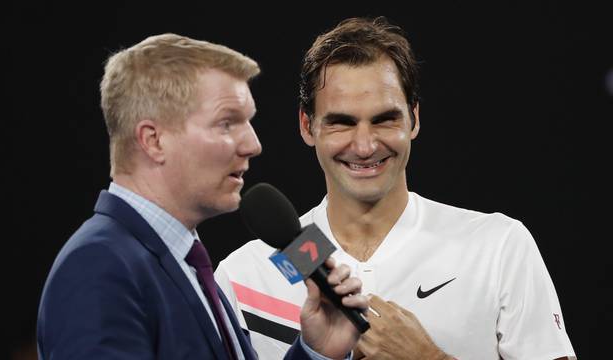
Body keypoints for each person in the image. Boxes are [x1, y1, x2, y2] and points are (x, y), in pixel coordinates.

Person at [215, 17, 576, 360]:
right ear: (307, 127)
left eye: (384, 119)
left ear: (414, 119)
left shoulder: (498, 247)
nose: (364, 145)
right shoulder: (245, 276)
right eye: (342, 123)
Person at [36, 33, 368, 360]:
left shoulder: (184, 263)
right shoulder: (100, 267)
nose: (253, 144)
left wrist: (315, 352)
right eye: (227, 123)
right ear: (153, 140)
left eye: (248, 121)